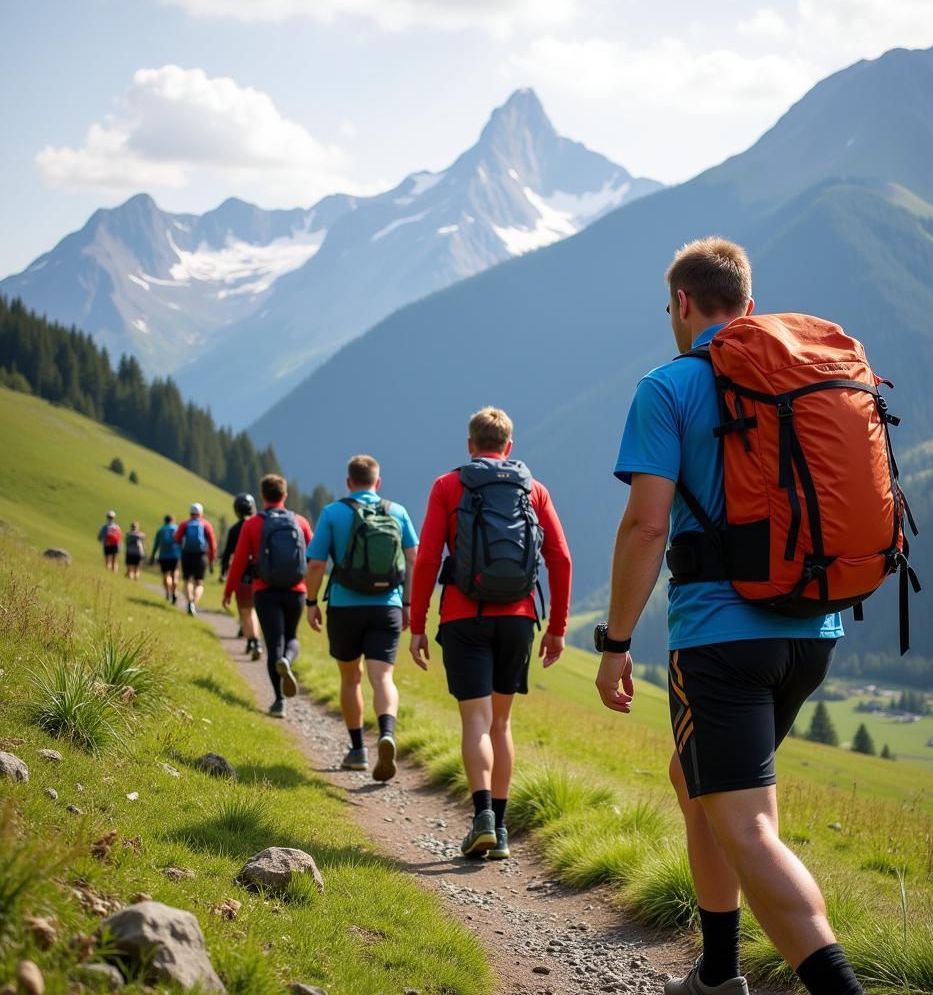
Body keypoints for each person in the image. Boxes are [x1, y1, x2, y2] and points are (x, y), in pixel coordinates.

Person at [595, 236, 853, 995]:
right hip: (814, 629)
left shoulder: (670, 385)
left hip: (720, 639)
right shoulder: (804, 374)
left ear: (681, 303)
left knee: (747, 827)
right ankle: (717, 975)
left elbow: (646, 526)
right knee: (693, 776)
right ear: (748, 299)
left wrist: (615, 643)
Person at [409, 407, 572, 860]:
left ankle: (481, 814)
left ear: (470, 445)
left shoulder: (448, 485)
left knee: (475, 721)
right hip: (518, 618)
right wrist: (556, 629)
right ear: (509, 447)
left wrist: (417, 623)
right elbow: (560, 560)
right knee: (502, 723)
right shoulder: (533, 490)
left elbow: (425, 560)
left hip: (464, 617)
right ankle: (499, 829)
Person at [305, 456, 419, 781]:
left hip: (344, 606)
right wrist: (408, 603)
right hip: (388, 606)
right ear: (377, 482)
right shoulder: (397, 512)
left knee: (350, 678)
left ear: (348, 482)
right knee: (383, 678)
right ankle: (387, 733)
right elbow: (414, 557)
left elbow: (315, 565)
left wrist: (311, 601)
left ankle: (357, 750)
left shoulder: (333, 512)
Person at [223, 474, 312, 718]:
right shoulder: (300, 522)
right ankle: (288, 660)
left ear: (262, 496)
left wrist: (229, 591)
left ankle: (279, 702)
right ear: (285, 496)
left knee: (274, 643)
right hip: (296, 591)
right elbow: (313, 557)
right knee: (292, 637)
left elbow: (240, 561)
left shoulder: (252, 524)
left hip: (264, 590)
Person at [221, 493, 263, 660]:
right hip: (261, 574)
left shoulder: (235, 530)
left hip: (242, 575)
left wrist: (224, 571)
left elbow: (227, 554)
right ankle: (254, 641)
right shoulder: (258, 525)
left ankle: (252, 641)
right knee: (253, 610)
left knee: (245, 611)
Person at [174, 502, 217, 616]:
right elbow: (212, 544)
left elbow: (177, 538)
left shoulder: (185, 524)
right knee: (199, 583)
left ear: (190, 513)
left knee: (187, 580)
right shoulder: (206, 524)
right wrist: (212, 559)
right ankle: (193, 603)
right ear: (201, 513)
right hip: (201, 556)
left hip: (187, 555)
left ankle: (189, 603)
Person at [150, 514, 181, 603]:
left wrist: (152, 556)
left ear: (165, 520)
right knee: (175, 574)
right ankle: (174, 592)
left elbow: (156, 544)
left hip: (163, 556)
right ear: (173, 520)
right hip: (175, 555)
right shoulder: (176, 529)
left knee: (166, 574)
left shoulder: (161, 530)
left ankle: (168, 593)